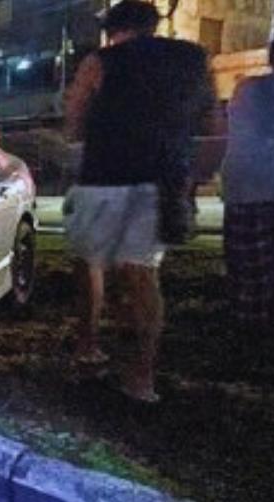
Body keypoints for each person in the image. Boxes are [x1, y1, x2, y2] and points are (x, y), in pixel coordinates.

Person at [63, 0, 215, 402]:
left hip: (104, 175)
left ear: (114, 30)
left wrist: (76, 137)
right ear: (153, 25)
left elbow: (75, 117)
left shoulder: (101, 60)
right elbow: (213, 122)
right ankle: (142, 376)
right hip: (161, 179)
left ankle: (88, 349)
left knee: (89, 263)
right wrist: (193, 175)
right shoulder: (193, 59)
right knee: (144, 273)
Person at [221, 35, 274, 328]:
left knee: (252, 268)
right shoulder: (253, 90)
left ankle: (252, 323)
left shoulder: (249, 90)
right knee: (255, 266)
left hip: (249, 190)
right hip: (255, 188)